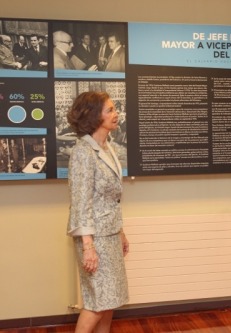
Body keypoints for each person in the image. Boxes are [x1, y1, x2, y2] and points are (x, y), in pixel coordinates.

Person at [66, 91, 129, 333]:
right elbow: (81, 203)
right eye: (110, 110)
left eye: (114, 109)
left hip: (110, 233)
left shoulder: (107, 147)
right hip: (94, 238)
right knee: (97, 301)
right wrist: (88, 247)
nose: (116, 114)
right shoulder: (83, 152)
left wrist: (120, 232)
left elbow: (112, 199)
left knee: (109, 299)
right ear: (94, 116)